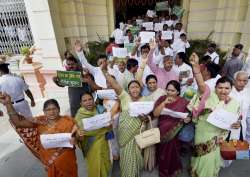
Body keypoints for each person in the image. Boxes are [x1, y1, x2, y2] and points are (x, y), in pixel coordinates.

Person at [188, 53, 241, 177]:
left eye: (226, 88)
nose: (223, 90)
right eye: (220, 87)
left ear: (231, 89)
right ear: (215, 88)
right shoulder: (209, 96)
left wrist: (236, 124)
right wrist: (196, 67)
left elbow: (235, 121)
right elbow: (201, 85)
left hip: (218, 137)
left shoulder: (234, 103)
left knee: (210, 162)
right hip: (203, 132)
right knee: (199, 159)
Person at [0, 94, 78, 177]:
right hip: (50, 162)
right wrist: (8, 104)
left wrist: (76, 138)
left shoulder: (69, 121)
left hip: (68, 162)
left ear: (59, 109)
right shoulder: (39, 122)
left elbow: (79, 137)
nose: (51, 112)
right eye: (48, 110)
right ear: (44, 111)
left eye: (54, 109)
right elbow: (18, 123)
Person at [103, 71, 151, 177]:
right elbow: (115, 84)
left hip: (136, 134)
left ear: (140, 89)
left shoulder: (145, 100)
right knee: (125, 156)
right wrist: (104, 71)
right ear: (128, 90)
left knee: (135, 155)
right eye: (132, 87)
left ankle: (133, 173)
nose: (134, 89)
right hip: (124, 134)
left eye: (137, 87)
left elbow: (148, 118)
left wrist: (144, 118)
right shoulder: (125, 97)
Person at [153, 80, 190, 177]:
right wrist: (164, 102)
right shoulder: (162, 99)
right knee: (163, 153)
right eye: (168, 90)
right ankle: (163, 172)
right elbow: (155, 114)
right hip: (163, 129)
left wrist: (187, 119)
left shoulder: (184, 102)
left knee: (173, 151)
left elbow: (189, 116)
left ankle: (173, 169)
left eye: (172, 91)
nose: (169, 92)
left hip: (176, 130)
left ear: (178, 91)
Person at [74, 92, 114, 177]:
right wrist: (79, 135)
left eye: (90, 99)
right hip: (90, 145)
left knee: (106, 164)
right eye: (85, 100)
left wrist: (110, 124)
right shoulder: (79, 116)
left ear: (93, 100)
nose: (88, 102)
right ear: (81, 103)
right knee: (94, 167)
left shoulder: (100, 109)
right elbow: (78, 138)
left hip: (104, 143)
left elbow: (108, 128)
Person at [230, 71, 250, 139]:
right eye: (239, 80)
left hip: (242, 130)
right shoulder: (228, 91)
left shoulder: (248, 93)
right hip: (227, 128)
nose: (242, 83)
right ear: (234, 80)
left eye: (244, 81)